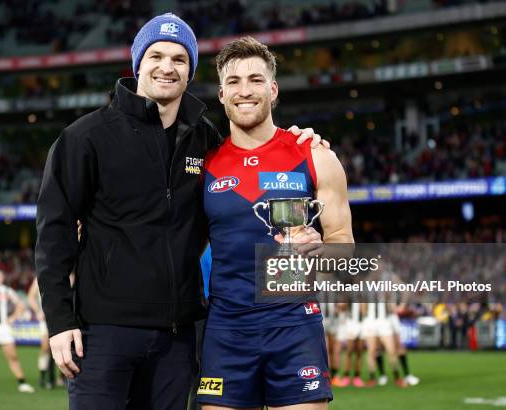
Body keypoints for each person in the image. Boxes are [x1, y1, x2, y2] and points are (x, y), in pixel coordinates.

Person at [35, 13, 325, 410]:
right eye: (156, 55)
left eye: (179, 59)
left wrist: (295, 140)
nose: (167, 67)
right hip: (104, 333)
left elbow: (250, 160)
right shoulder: (85, 137)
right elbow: (54, 233)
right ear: (138, 63)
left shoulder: (205, 139)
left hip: (177, 338)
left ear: (190, 72)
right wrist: (60, 321)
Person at [197, 36, 353, 409]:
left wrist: (321, 251)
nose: (244, 90)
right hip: (226, 330)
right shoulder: (202, 165)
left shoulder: (315, 156)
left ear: (274, 88)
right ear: (221, 94)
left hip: (294, 325)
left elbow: (343, 247)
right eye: (233, 82)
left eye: (255, 79)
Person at [27, 277, 55, 389]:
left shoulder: (68, 273)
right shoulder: (39, 277)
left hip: (62, 316)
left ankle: (60, 377)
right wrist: (38, 311)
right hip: (46, 317)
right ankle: (44, 376)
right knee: (46, 347)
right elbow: (31, 297)